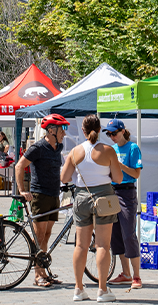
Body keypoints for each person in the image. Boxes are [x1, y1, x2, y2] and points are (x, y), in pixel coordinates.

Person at [61, 114, 123, 303]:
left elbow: (64, 178)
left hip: (81, 197)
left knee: (81, 245)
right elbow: (118, 178)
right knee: (103, 245)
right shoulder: (108, 150)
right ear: (100, 128)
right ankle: (102, 290)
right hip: (104, 196)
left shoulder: (75, 151)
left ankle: (78, 288)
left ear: (83, 130)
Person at [15, 113, 69, 288]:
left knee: (46, 235)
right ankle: (38, 275)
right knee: (39, 236)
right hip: (40, 195)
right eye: (63, 129)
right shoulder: (38, 147)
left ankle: (43, 270)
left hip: (54, 194)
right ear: (52, 130)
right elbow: (19, 165)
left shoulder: (58, 148)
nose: (65, 133)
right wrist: (22, 190)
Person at [105, 120, 144, 289]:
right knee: (115, 235)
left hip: (127, 192)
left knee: (129, 233)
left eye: (114, 133)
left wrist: (120, 166)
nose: (112, 137)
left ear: (122, 131)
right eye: (109, 134)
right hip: (112, 191)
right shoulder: (111, 150)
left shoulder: (133, 148)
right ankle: (126, 273)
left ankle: (137, 276)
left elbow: (136, 173)